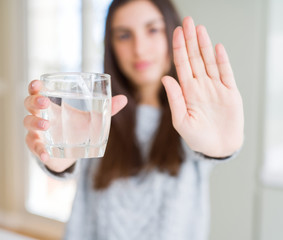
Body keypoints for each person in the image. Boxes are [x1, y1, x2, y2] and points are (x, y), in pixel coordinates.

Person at [23, 0, 244, 239]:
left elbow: (208, 147)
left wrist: (221, 148)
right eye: (124, 35)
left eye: (152, 30)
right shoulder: (94, 110)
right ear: (111, 45)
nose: (139, 48)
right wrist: (59, 157)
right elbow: (65, 162)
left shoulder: (194, 118)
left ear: (171, 31)